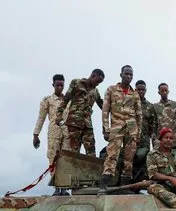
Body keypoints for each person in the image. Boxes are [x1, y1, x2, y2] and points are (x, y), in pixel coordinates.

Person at [99, 65, 143, 193]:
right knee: (112, 155)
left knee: (129, 159)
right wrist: (105, 128)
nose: (128, 77)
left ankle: (124, 187)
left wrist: (138, 132)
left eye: (131, 75)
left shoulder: (134, 94)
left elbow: (139, 114)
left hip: (131, 127)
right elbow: (105, 109)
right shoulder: (112, 90)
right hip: (117, 126)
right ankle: (104, 185)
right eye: (126, 74)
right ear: (121, 75)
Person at [33, 74, 70, 195]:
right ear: (53, 85)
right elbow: (41, 117)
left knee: (66, 158)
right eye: (57, 85)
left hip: (66, 131)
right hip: (53, 130)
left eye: (62, 85)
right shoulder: (47, 100)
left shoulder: (67, 100)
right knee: (52, 156)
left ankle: (64, 186)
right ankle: (56, 187)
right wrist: (36, 134)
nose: (60, 87)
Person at [55, 69, 106, 157]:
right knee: (74, 150)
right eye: (97, 82)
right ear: (93, 76)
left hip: (87, 125)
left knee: (91, 150)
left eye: (99, 83)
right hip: (74, 123)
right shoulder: (76, 83)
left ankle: (90, 170)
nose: (97, 84)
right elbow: (66, 99)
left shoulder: (95, 92)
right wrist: (59, 115)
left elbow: (104, 106)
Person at [135, 80, 158, 180]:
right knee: (130, 159)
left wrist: (152, 138)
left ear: (145, 90)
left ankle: (140, 181)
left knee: (143, 159)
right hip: (131, 137)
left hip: (144, 138)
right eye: (138, 89)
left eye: (142, 89)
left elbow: (153, 124)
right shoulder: (130, 103)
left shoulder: (150, 106)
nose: (141, 91)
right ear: (135, 90)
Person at [153, 82, 176, 148]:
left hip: (174, 139)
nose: (164, 92)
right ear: (159, 92)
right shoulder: (155, 107)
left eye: (166, 90)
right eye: (162, 91)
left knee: (174, 157)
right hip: (160, 139)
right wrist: (154, 138)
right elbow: (153, 123)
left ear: (168, 91)